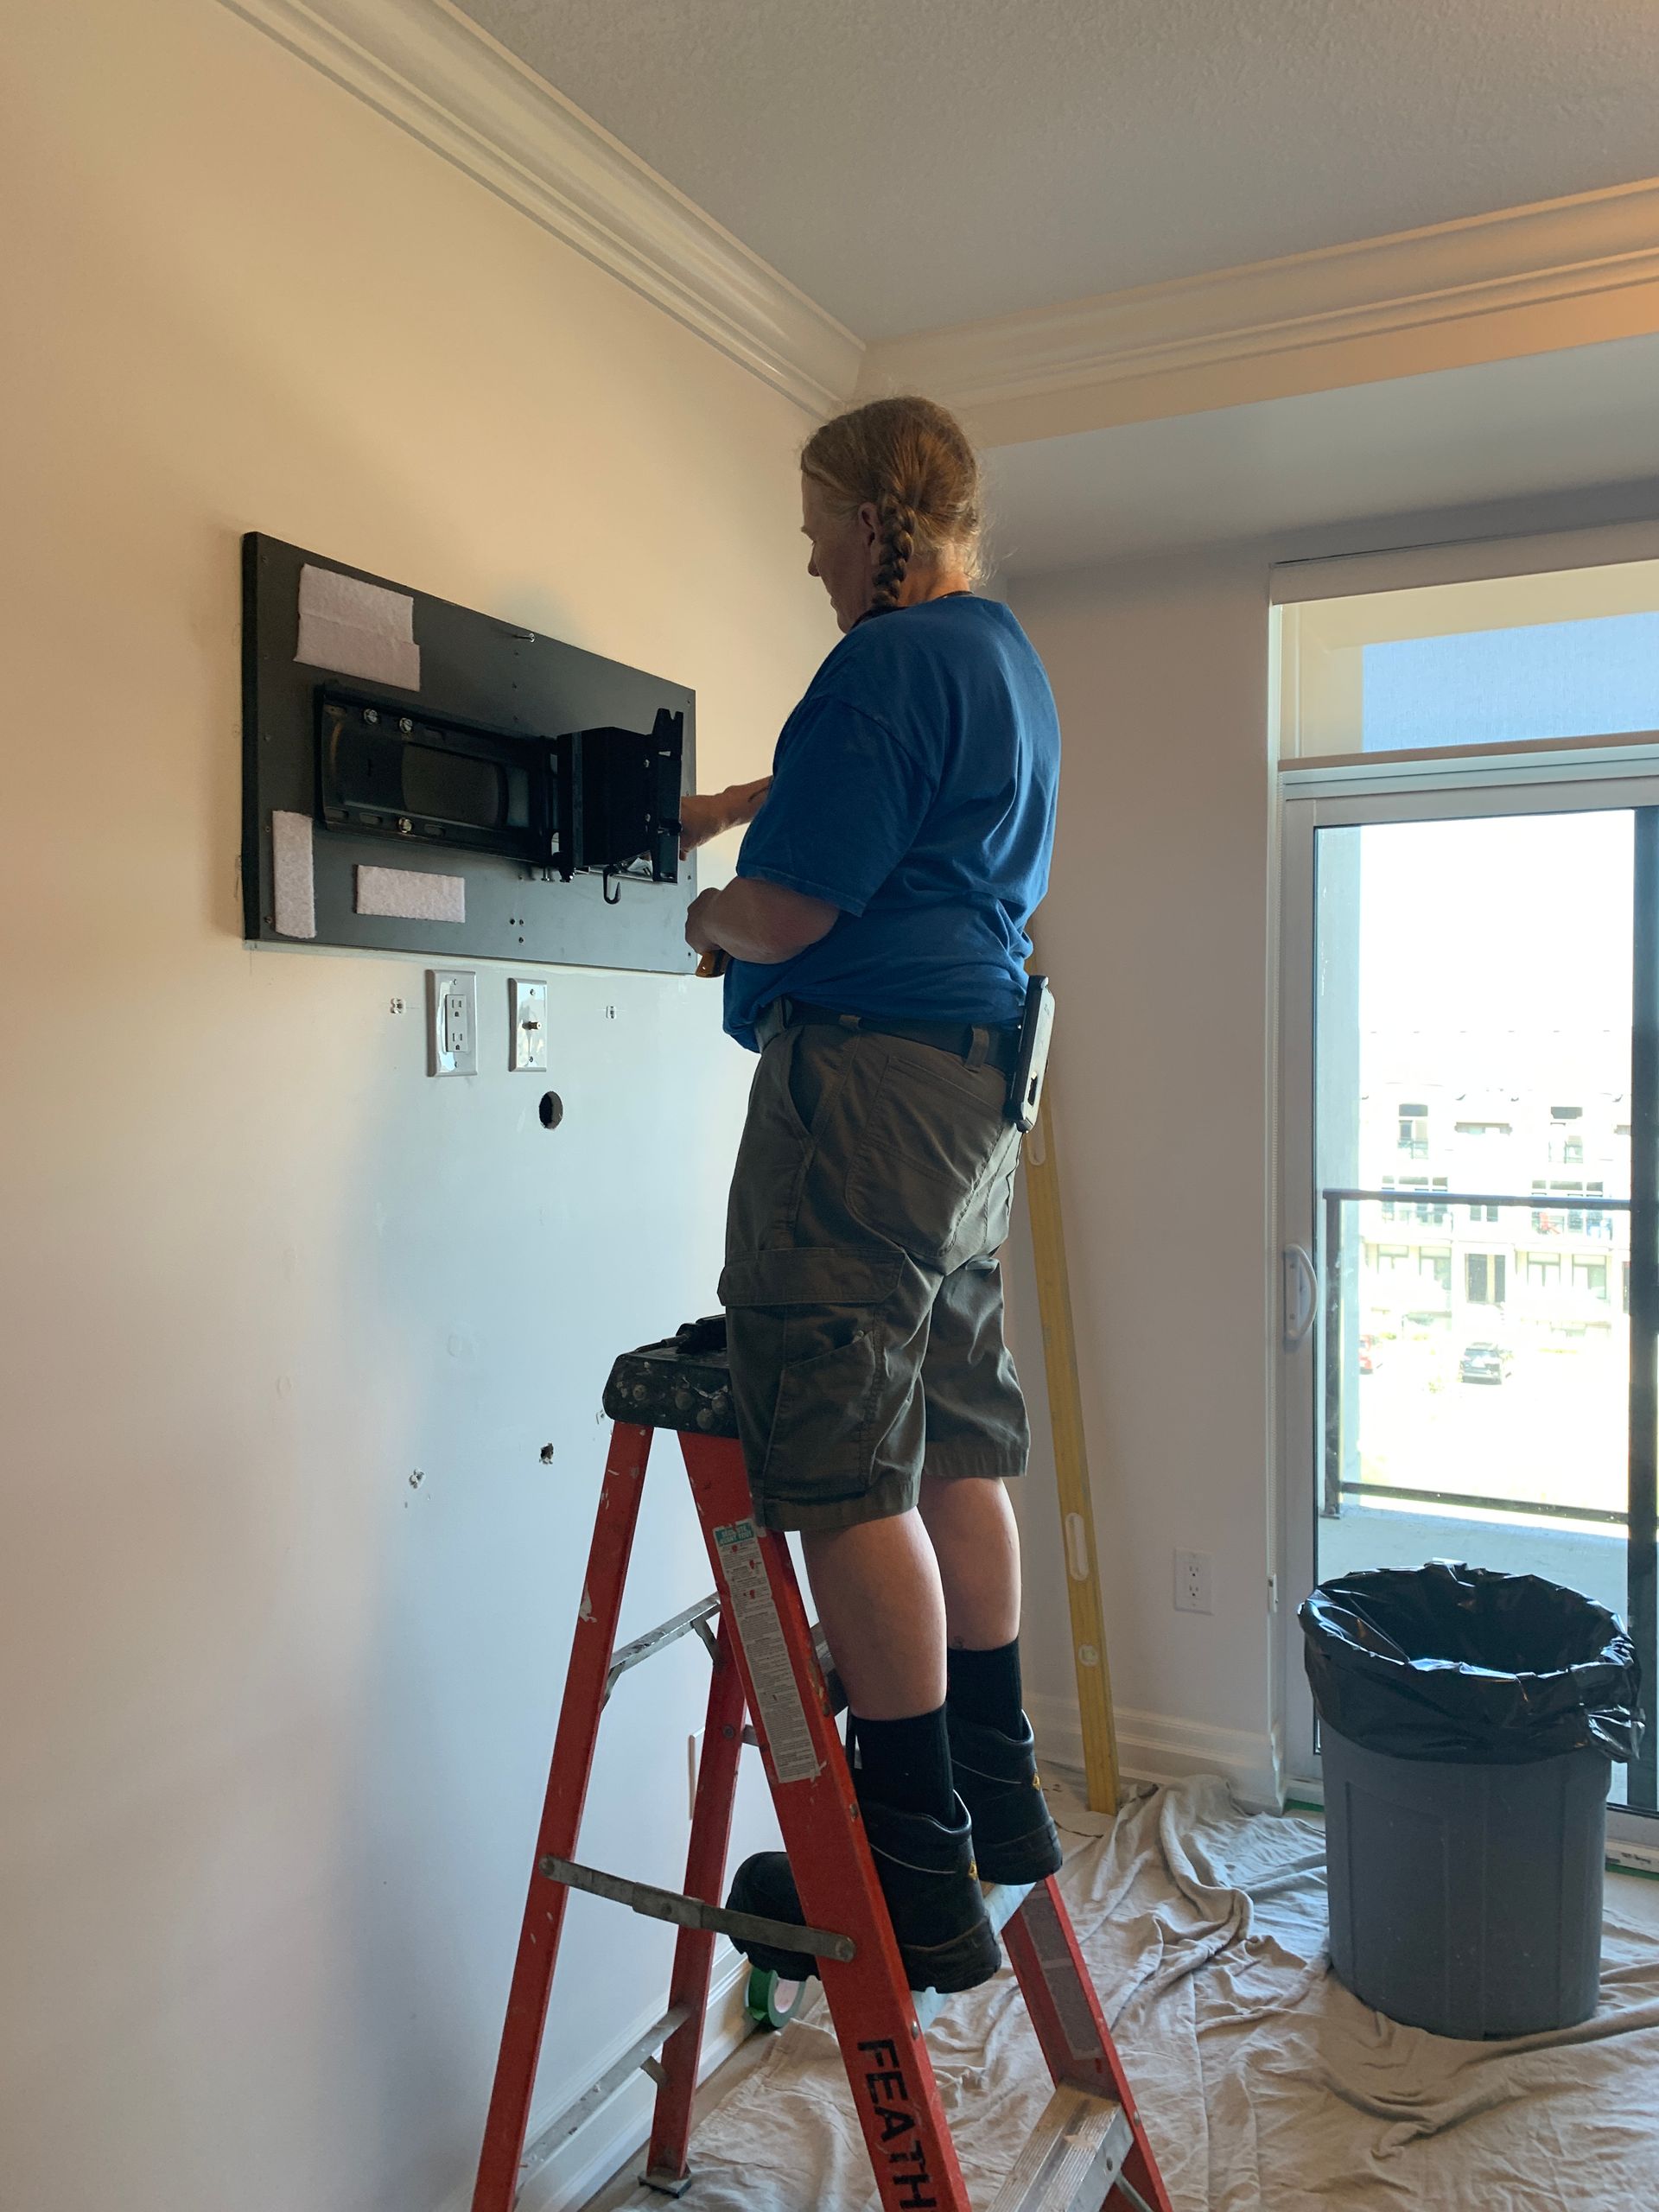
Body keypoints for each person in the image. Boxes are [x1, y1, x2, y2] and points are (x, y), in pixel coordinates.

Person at [681, 395, 1061, 1993]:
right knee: (959, 1433)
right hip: (973, 1089)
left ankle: (909, 1877)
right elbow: (889, 811)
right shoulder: (998, 657)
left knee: (845, 1477)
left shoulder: (884, 658)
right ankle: (992, 1792)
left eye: (819, 520)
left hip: (865, 1095)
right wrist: (729, 803)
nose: (809, 550)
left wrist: (707, 903)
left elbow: (788, 912)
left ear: (877, 524)